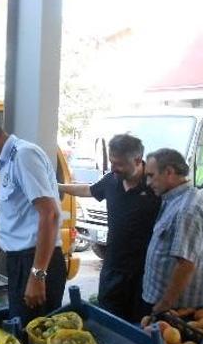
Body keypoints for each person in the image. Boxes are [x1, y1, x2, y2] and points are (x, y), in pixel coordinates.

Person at [0, 115, 66, 325]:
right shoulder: (8, 161)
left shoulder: (23, 155)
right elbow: (19, 219)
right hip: (22, 262)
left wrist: (37, 275)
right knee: (21, 332)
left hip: (36, 261)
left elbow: (50, 214)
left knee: (34, 338)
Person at [59, 134, 160, 322]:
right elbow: (89, 190)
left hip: (143, 273)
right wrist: (59, 187)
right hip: (112, 268)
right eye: (112, 162)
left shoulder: (155, 184)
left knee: (138, 325)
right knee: (109, 320)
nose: (113, 168)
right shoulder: (111, 179)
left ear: (138, 160)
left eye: (119, 164)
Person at [141, 148, 203, 316]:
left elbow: (185, 264)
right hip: (164, 303)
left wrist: (165, 305)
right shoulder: (174, 199)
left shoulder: (187, 209)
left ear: (169, 172)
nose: (148, 182)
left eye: (151, 175)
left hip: (174, 309)